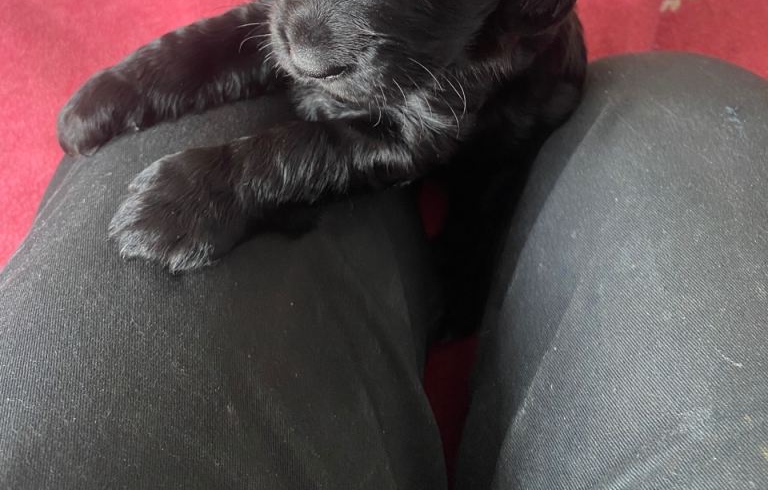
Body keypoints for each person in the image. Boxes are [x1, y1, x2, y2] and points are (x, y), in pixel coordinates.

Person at [1, 52, 766, 490]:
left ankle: (465, 279)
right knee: (679, 103)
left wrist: (239, 176)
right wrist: (151, 78)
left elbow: (412, 143)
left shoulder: (508, 47)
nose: (310, 33)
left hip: (482, 150)